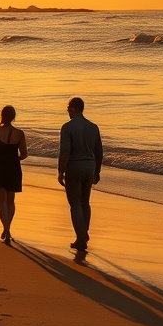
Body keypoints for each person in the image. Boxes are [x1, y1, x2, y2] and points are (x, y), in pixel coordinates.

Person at [58, 96, 102, 251]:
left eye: (68, 107)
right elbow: (99, 151)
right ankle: (84, 232)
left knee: (75, 203)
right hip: (89, 166)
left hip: (74, 167)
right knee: (85, 202)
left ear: (74, 108)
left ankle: (80, 238)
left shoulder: (67, 127)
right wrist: (97, 171)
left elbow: (65, 151)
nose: (67, 110)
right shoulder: (93, 127)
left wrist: (60, 170)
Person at [0, 105, 28, 244]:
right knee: (10, 201)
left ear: (1, 116)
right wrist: (16, 159)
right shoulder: (20, 133)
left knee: (0, 201)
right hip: (14, 168)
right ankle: (8, 230)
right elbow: (24, 154)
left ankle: (6, 229)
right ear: (14, 117)